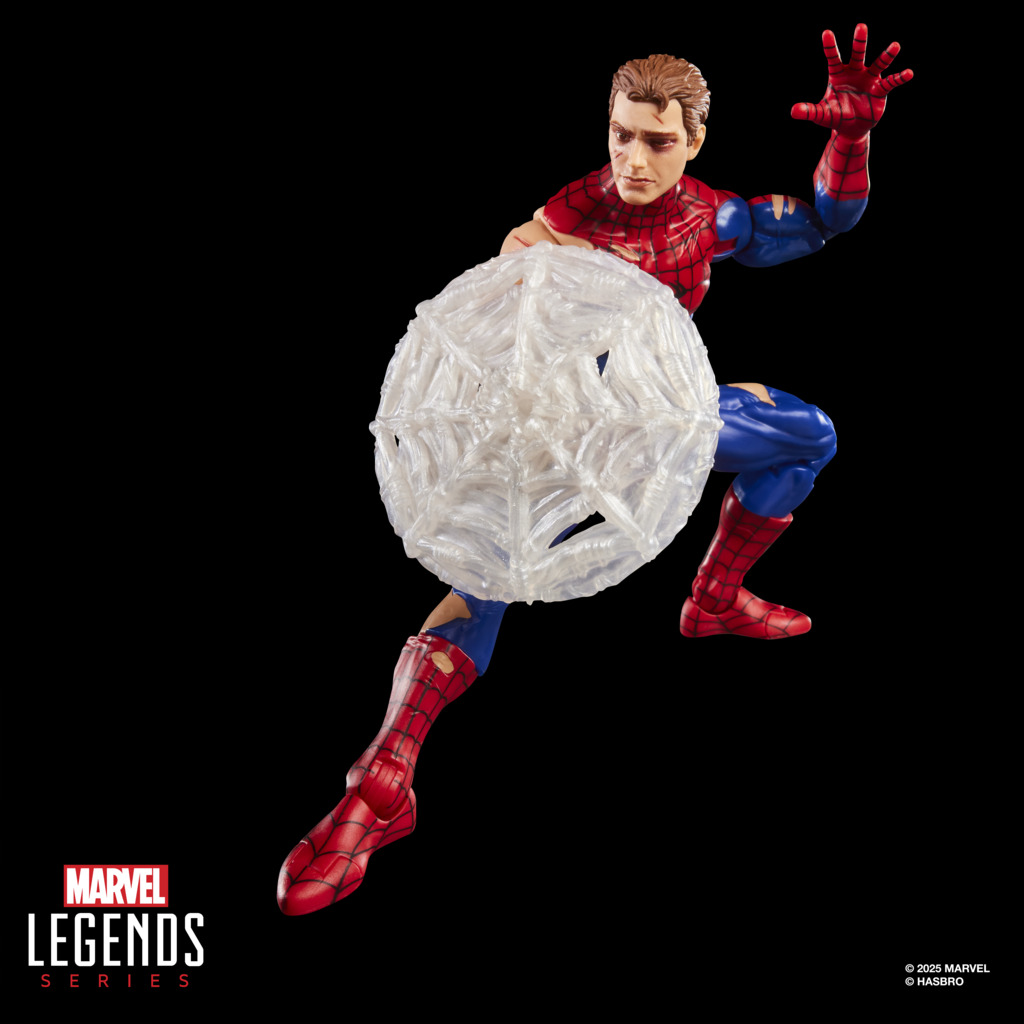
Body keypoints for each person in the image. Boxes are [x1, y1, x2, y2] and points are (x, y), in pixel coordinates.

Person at [277, 25, 911, 915]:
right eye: (621, 136)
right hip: (555, 441)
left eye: (657, 140)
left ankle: (714, 597)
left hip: (660, 424)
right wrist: (537, 275)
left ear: (694, 142)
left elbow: (821, 222)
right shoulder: (573, 217)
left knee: (808, 436)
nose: (634, 160)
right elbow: (515, 264)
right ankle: (378, 788)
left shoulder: (713, 219)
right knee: (483, 581)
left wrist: (851, 139)